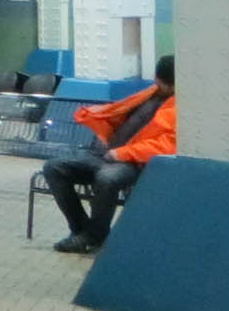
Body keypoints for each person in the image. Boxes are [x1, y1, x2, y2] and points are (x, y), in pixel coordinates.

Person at [43, 56, 175, 254]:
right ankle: (82, 231)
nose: (157, 84)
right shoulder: (151, 93)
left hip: (135, 162)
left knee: (107, 178)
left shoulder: (181, 109)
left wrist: (122, 152)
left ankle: (93, 236)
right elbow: (119, 113)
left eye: (162, 83)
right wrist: (102, 129)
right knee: (54, 168)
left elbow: (166, 146)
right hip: (107, 154)